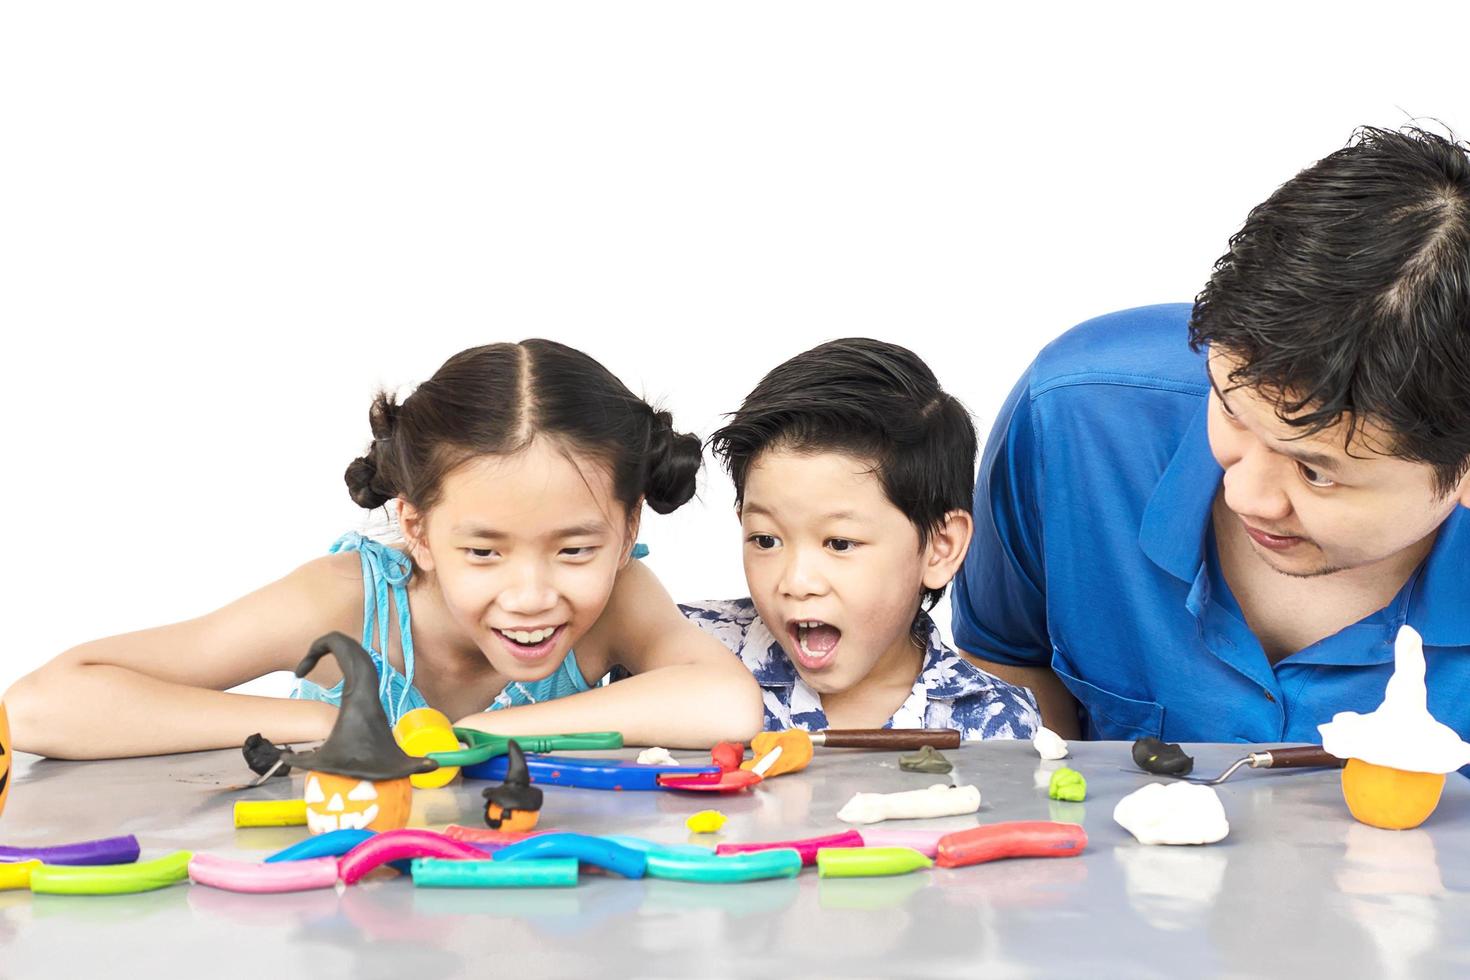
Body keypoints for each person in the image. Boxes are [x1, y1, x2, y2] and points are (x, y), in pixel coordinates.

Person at [952, 126, 1470, 742]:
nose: (1244, 495)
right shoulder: (1076, 416)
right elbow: (1007, 660)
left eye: (1316, 471)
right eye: (1230, 409)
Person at [6, 340, 763, 757]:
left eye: (573, 551)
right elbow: (41, 710)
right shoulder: (346, 601)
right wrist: (335, 728)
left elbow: (725, 703)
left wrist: (456, 735)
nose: (531, 594)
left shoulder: (621, 596)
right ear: (417, 529)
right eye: (485, 553)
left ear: (629, 531)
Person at [682, 338, 1040, 739]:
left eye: (839, 543)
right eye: (766, 540)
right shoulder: (682, 654)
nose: (796, 582)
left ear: (941, 548)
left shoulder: (996, 726)